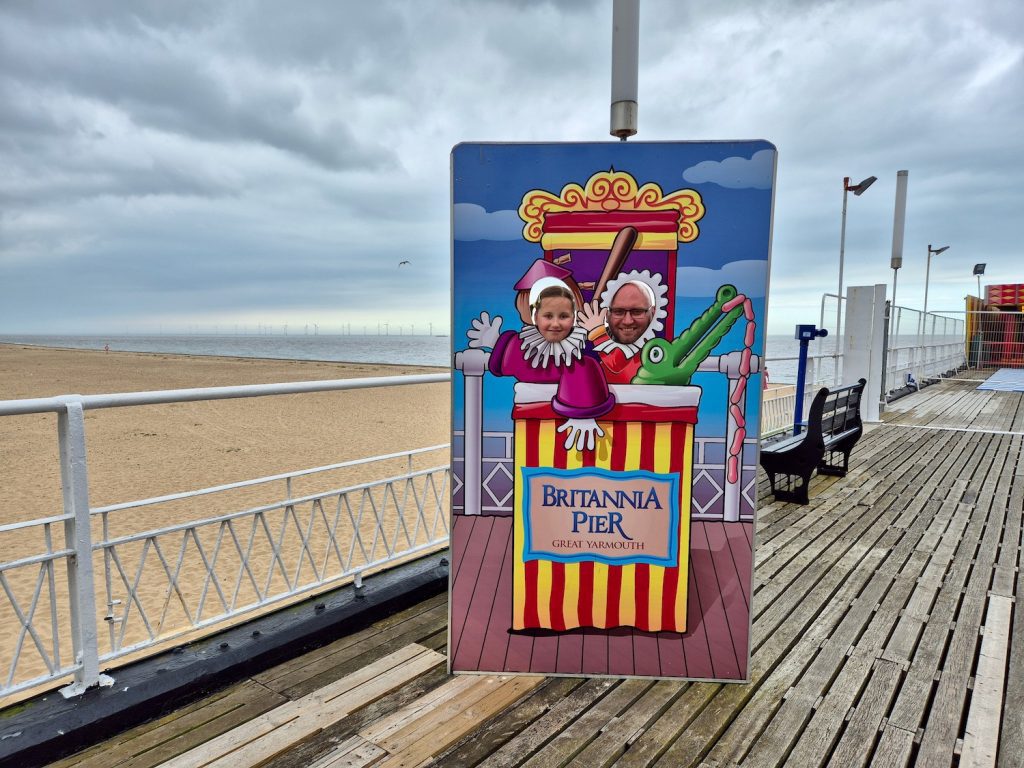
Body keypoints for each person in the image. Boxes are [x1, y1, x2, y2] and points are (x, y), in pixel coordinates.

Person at [466, 271, 614, 451]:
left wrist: (583, 414)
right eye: (548, 316)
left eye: (563, 316)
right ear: (535, 317)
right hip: (532, 438)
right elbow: (514, 359)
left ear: (574, 318)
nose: (556, 324)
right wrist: (495, 342)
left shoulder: (580, 353)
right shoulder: (523, 347)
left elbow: (582, 369)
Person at [579, 279, 659, 383]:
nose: (628, 321)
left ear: (653, 313)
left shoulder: (657, 351)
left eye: (637, 312)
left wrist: (597, 333)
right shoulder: (594, 362)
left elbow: (617, 363)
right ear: (606, 315)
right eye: (618, 312)